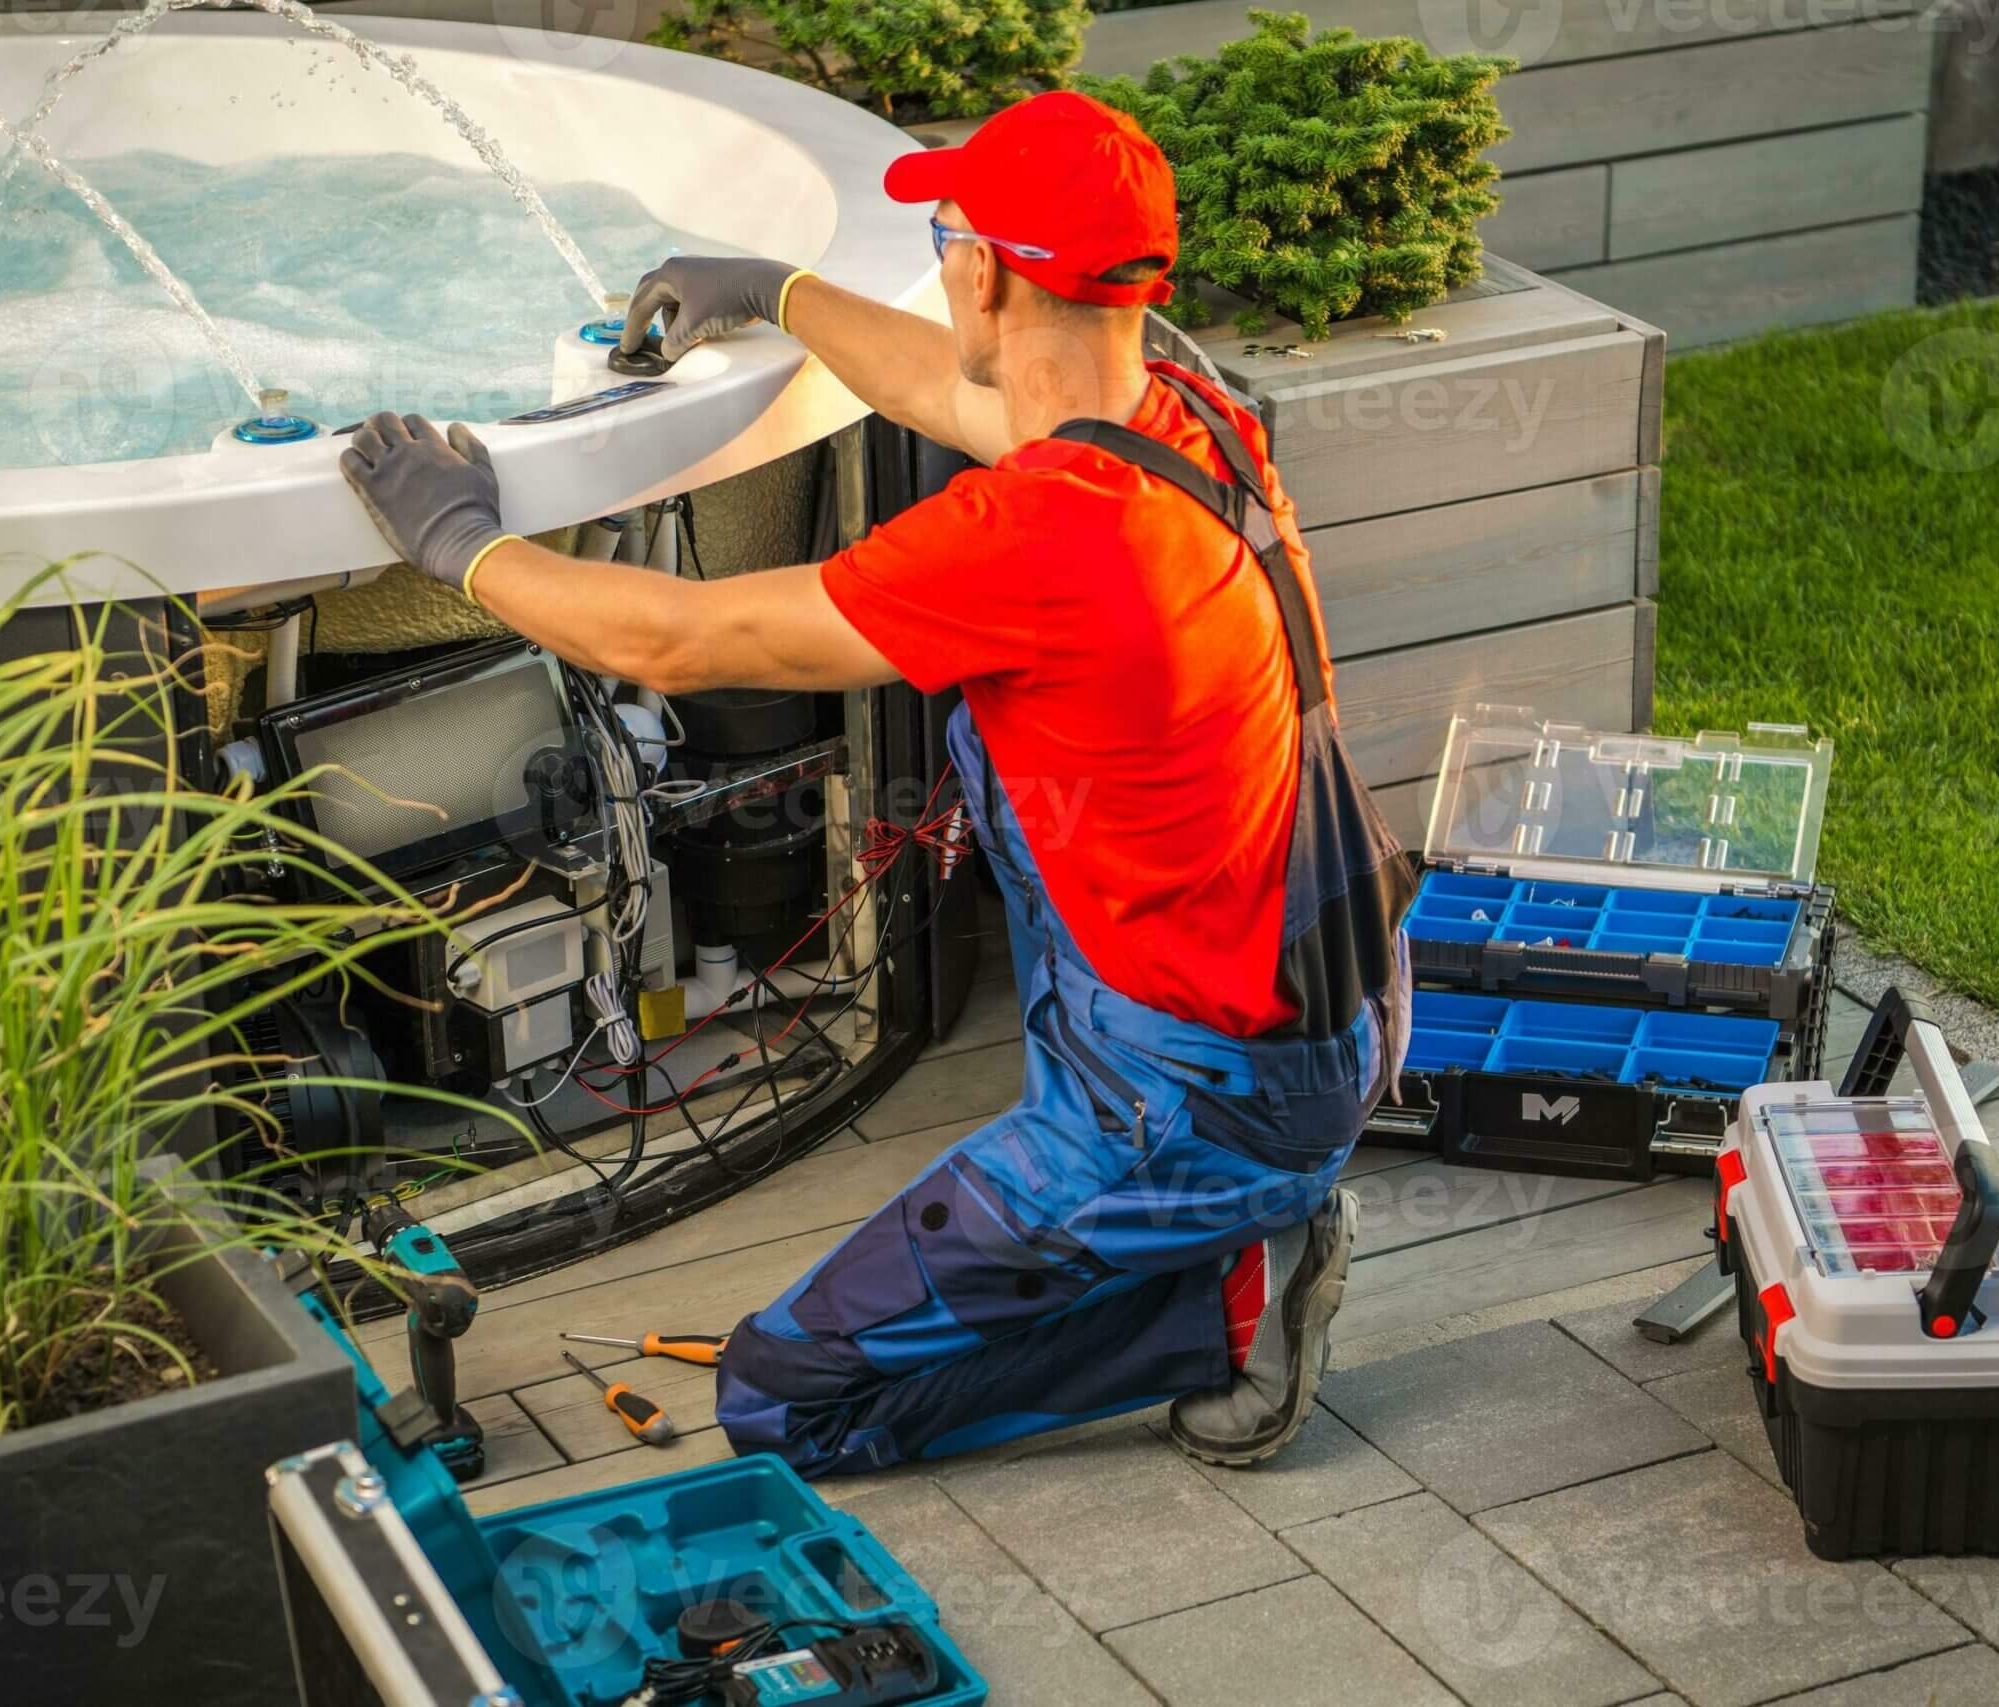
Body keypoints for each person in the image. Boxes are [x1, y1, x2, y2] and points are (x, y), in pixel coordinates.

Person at [339, 92, 1415, 1476]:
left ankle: (1227, 1300)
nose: (946, 256)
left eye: (950, 233)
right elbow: (954, 390)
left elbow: (672, 638)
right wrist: (772, 293)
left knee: (784, 1401)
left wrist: (461, 545)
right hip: (1318, 993)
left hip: (1193, 1092)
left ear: (980, 273)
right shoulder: (1187, 414)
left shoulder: (1037, 540)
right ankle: (1223, 1212)